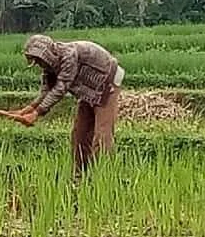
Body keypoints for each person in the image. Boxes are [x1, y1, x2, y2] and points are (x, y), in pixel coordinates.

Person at [12, 34, 125, 173]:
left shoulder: (68, 55)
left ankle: (103, 176)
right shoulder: (49, 67)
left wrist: (36, 114)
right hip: (87, 92)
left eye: (39, 60)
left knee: (102, 136)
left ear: (46, 54)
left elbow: (60, 88)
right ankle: (80, 175)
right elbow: (46, 91)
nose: (39, 65)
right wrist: (28, 109)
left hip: (107, 85)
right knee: (79, 135)